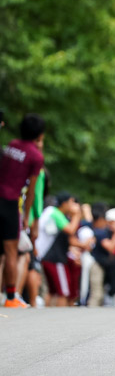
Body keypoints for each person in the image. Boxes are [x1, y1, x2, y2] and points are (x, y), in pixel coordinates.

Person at [0, 113, 45, 307]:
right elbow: (32, 191)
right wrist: (27, 216)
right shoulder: (36, 156)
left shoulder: (11, 145)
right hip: (10, 203)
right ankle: (11, 298)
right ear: (40, 135)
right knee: (11, 252)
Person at [36, 192, 90, 306]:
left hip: (48, 256)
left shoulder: (55, 213)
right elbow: (70, 230)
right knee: (63, 292)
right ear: (64, 203)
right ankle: (60, 318)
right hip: (55, 258)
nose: (73, 205)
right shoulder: (56, 214)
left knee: (53, 291)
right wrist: (77, 214)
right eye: (71, 202)